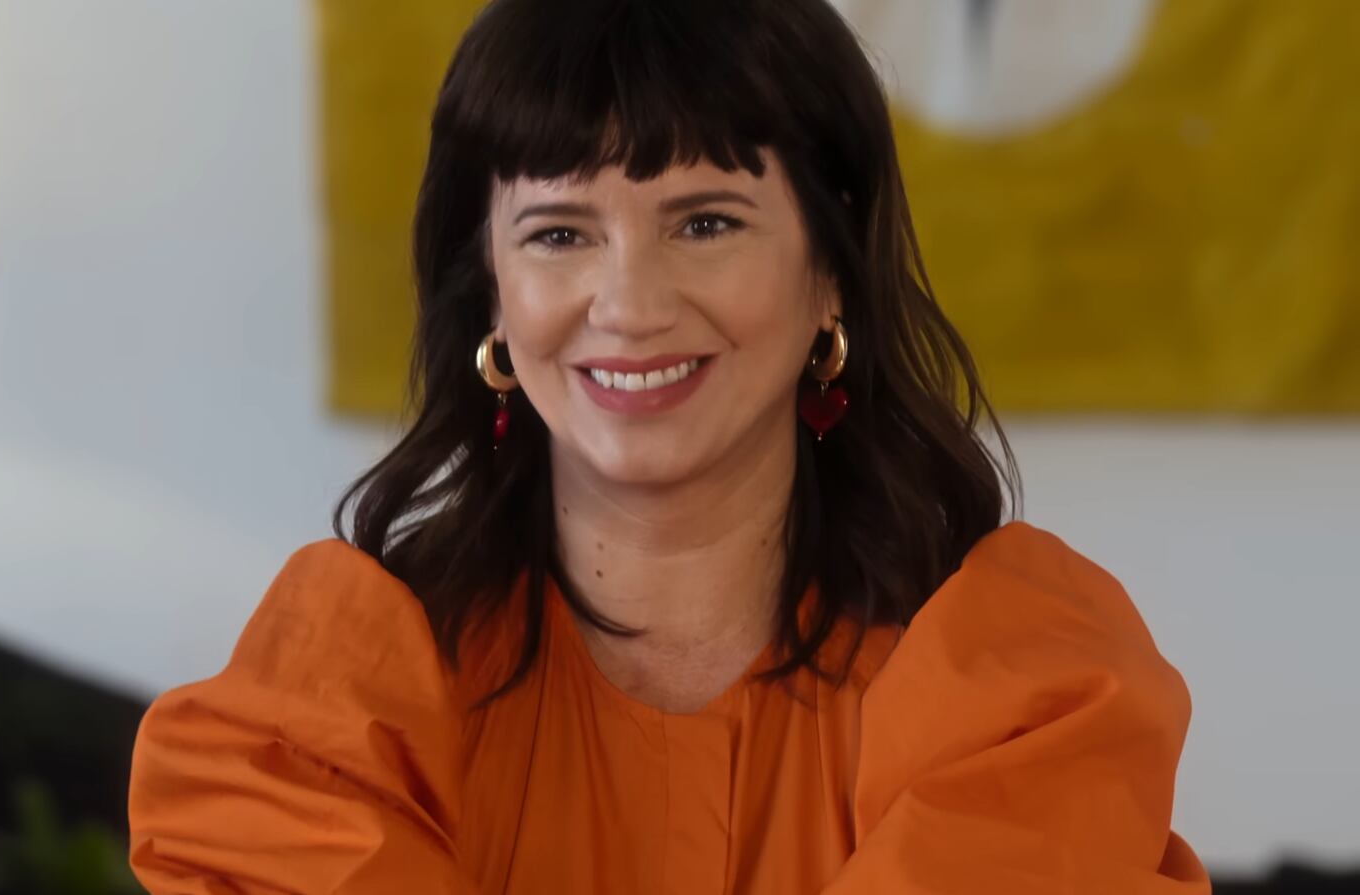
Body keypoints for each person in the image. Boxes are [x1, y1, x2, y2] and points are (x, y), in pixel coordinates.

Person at [127, 0, 1211, 891]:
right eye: (559, 233)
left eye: (705, 223)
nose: (630, 305)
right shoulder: (325, 706)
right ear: (489, 294)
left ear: (828, 271)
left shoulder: (1027, 689)